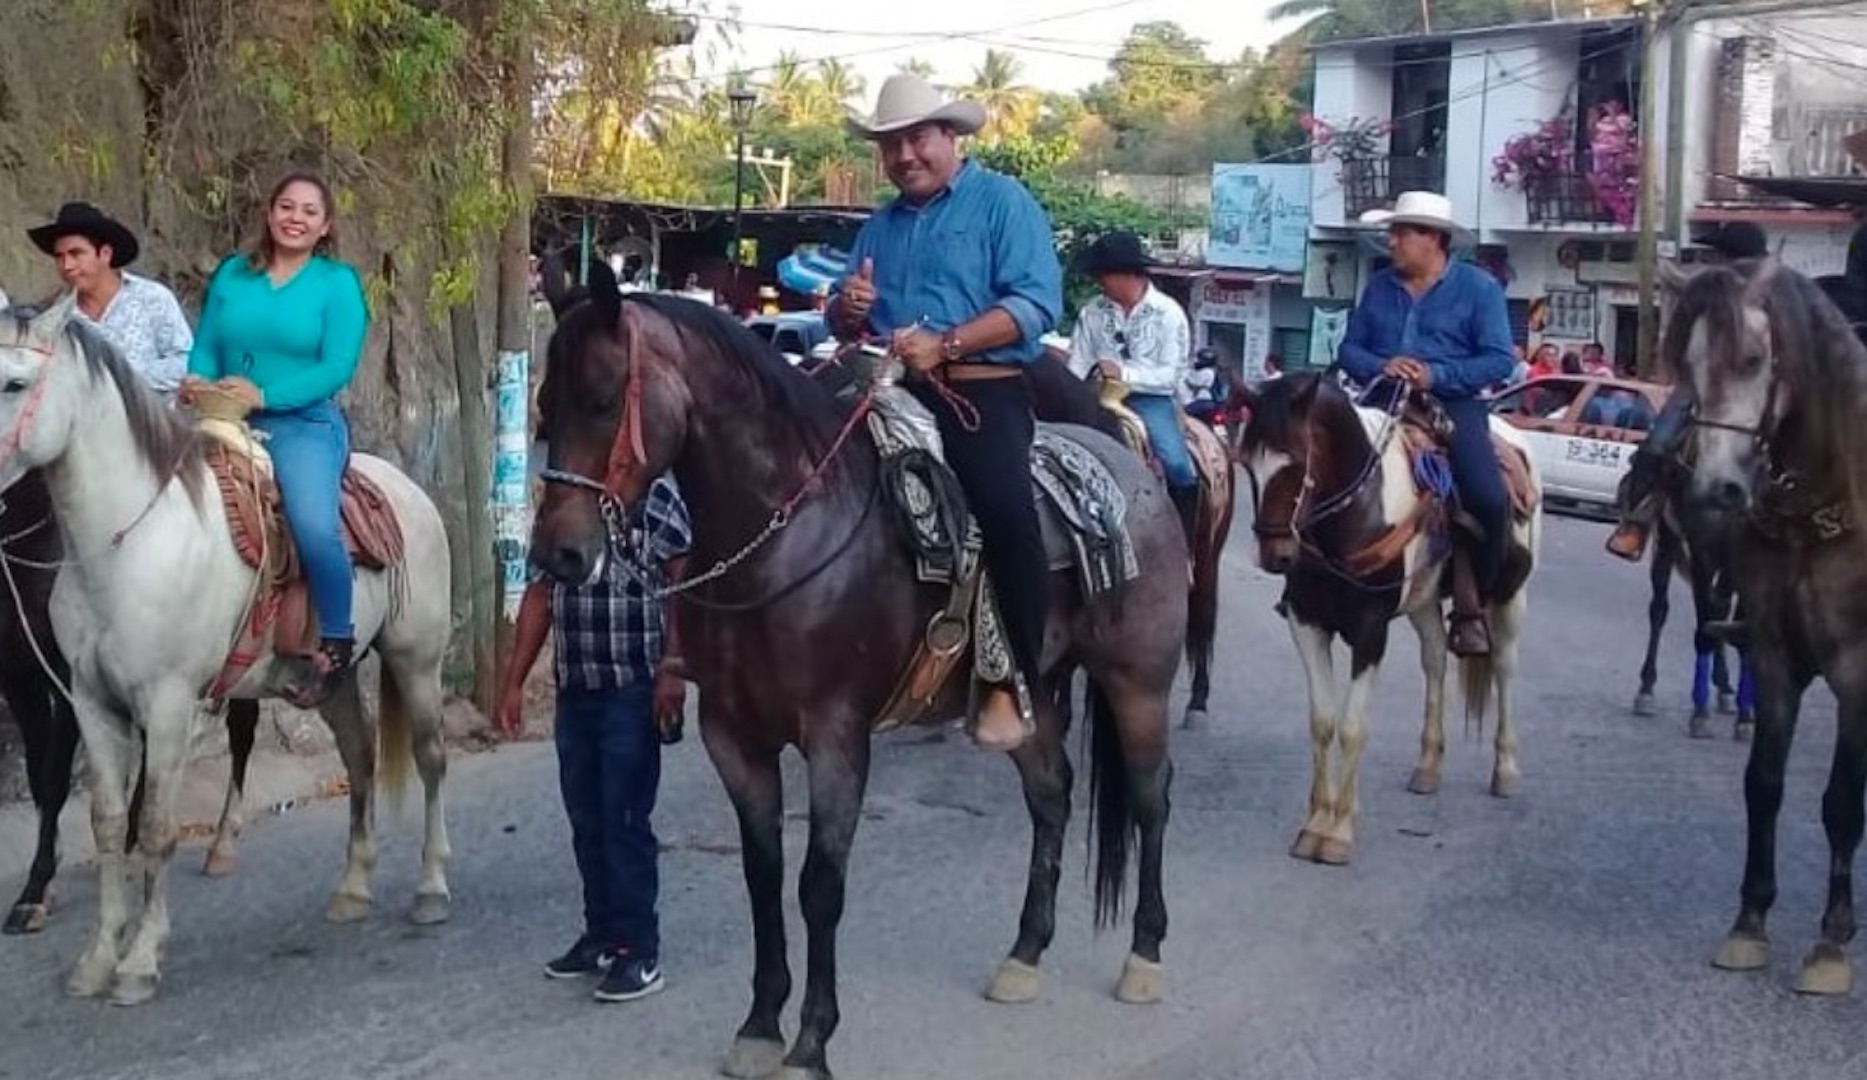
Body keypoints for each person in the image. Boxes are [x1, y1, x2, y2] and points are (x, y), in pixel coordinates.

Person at [829, 73, 1063, 753]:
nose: (903, 155)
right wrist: (845, 311)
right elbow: (851, 316)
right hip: (884, 384)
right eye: (890, 144)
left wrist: (949, 341)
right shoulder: (879, 222)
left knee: (1004, 509)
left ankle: (1017, 679)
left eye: (916, 138)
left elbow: (1035, 304)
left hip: (979, 390)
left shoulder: (1001, 202)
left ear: (950, 137)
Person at [497, 475, 691, 1004]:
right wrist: (514, 680)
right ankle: (602, 935)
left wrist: (672, 671)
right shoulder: (563, 507)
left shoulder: (654, 501)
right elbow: (540, 592)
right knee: (586, 819)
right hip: (576, 690)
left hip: (632, 689)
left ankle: (639, 950)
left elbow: (683, 581)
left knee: (624, 820)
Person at [183, 172, 369, 707]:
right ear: (269, 213)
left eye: (310, 211)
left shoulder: (337, 284)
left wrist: (263, 394)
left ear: (326, 225)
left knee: (313, 524)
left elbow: (336, 367)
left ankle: (336, 634)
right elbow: (208, 345)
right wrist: (198, 379)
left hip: (302, 424)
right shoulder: (234, 274)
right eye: (286, 206)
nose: (296, 217)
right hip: (220, 416)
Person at [1337, 191, 1516, 657]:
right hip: (1381, 398)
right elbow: (1349, 350)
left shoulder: (1480, 289)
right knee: (1321, 466)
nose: (1392, 241)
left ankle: (1477, 604)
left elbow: (1498, 360)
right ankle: (1313, 580)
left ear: (1433, 239)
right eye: (1393, 233)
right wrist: (1382, 364)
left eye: (1401, 233)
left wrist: (1436, 374)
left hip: (1453, 404)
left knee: (1488, 497)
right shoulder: (1379, 286)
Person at [1606, 222, 1775, 561]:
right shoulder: (1710, 290)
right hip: (1701, 387)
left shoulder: (1775, 293)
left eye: (1721, 255)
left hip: (1759, 390)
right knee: (1657, 444)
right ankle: (1637, 521)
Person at [1066, 231, 1199, 537]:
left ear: (1126, 274)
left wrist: (1123, 374)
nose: (1100, 283)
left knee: (1177, 465)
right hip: (1099, 397)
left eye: (1104, 275)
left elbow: (1171, 375)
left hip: (1150, 400)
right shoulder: (1093, 312)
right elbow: (1078, 364)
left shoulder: (1168, 314)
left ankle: (1185, 540)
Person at [27, 201, 193, 398]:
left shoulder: (152, 298)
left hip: (151, 424)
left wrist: (123, 377)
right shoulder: (54, 316)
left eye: (76, 254)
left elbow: (185, 360)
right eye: (59, 257)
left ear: (105, 254)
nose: (67, 265)